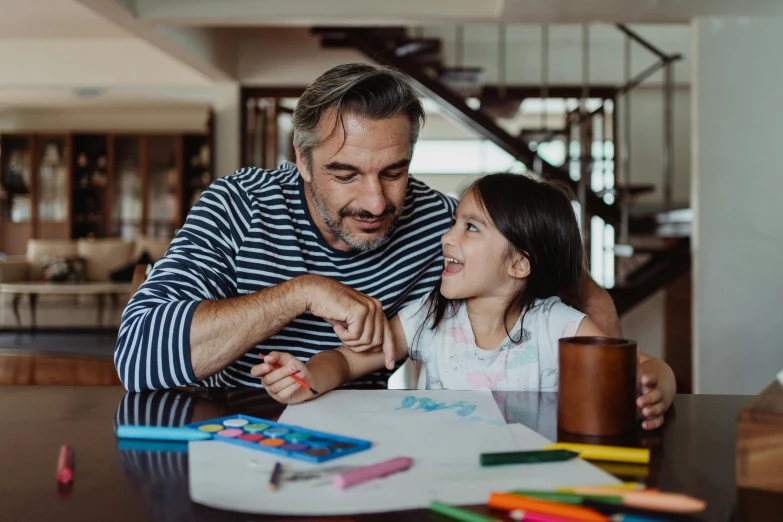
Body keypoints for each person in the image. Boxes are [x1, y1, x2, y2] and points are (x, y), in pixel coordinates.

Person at [115, 62, 621, 392]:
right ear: (303, 160)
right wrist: (302, 294)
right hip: (235, 427)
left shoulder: (443, 224)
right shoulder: (238, 205)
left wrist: (622, 384)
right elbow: (137, 356)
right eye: (345, 173)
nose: (376, 201)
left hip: (371, 440)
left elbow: (568, 281)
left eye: (394, 172)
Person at [254, 174, 675, 430]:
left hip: (527, 480)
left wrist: (657, 389)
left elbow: (645, 368)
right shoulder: (428, 317)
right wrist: (306, 375)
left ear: (519, 263)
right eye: (455, 222)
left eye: (470, 227)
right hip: (442, 473)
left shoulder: (558, 325)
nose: (446, 237)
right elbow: (347, 361)